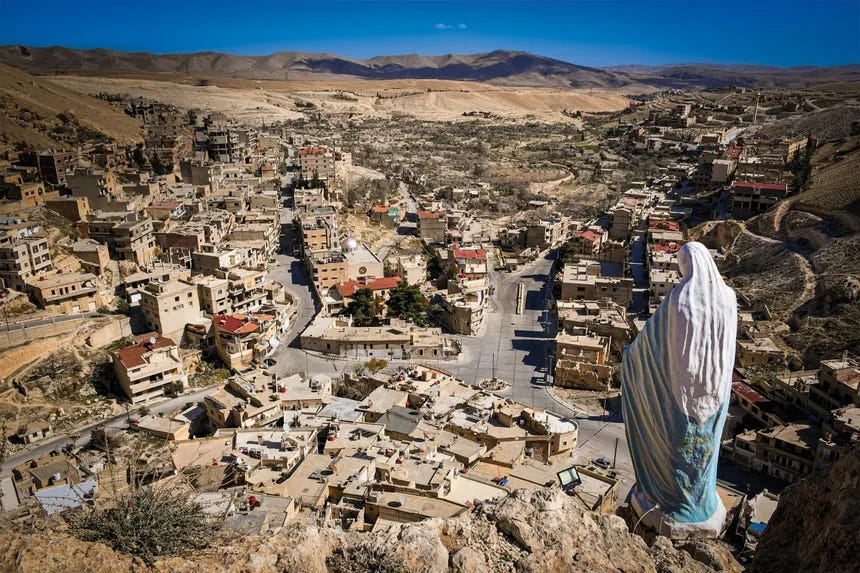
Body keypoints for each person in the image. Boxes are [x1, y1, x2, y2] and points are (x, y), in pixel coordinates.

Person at [622, 241, 737, 538]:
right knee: (704, 452)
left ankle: (672, 502)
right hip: (716, 392)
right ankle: (700, 500)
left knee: (674, 453)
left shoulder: (678, 299)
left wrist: (630, 357)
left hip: (678, 397)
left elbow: (649, 344)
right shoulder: (728, 297)